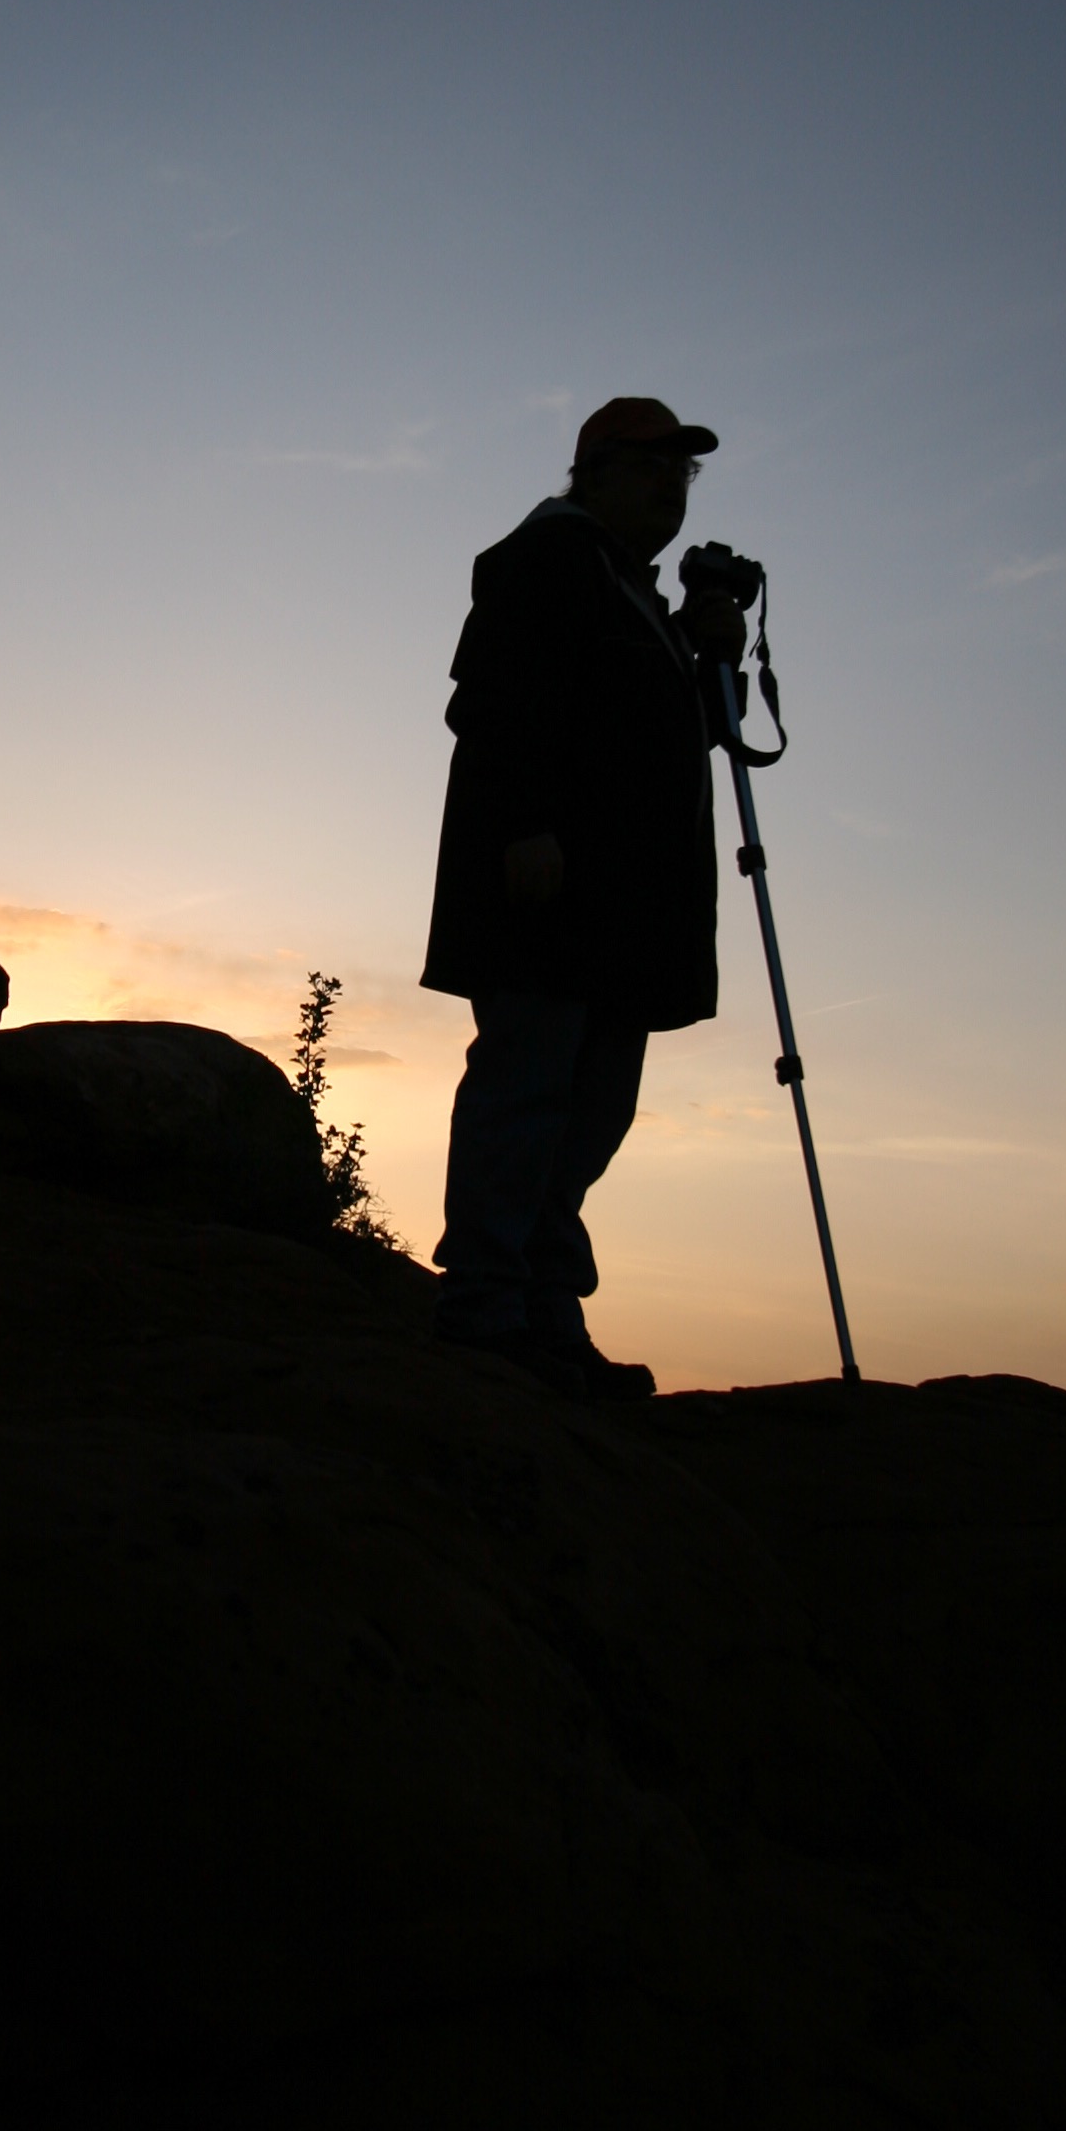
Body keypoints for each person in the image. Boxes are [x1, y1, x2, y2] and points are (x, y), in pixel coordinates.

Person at [420, 397, 746, 1400]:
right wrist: (524, 826)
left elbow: (672, 737)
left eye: (681, 475)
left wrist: (708, 647)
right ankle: (486, 1305)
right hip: (551, 890)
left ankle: (547, 1309)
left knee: (590, 1114)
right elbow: (496, 696)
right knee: (528, 1092)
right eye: (651, 468)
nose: (671, 489)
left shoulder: (627, 592)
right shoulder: (552, 557)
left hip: (620, 909)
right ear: (593, 472)